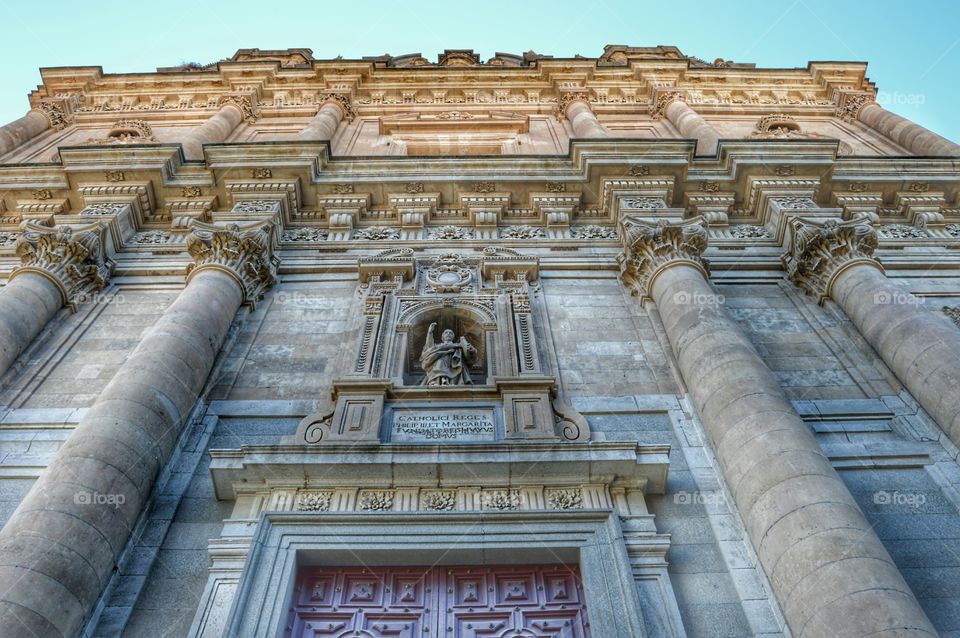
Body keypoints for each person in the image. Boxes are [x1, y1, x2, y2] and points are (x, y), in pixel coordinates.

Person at [420, 322, 476, 386]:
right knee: (440, 362)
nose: (448, 334)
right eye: (446, 333)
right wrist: (430, 333)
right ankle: (438, 381)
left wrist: (469, 348)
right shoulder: (438, 346)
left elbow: (470, 355)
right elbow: (429, 348)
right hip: (439, 363)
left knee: (455, 364)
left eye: (451, 333)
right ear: (442, 337)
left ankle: (452, 382)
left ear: (453, 337)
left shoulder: (458, 346)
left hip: (454, 363)